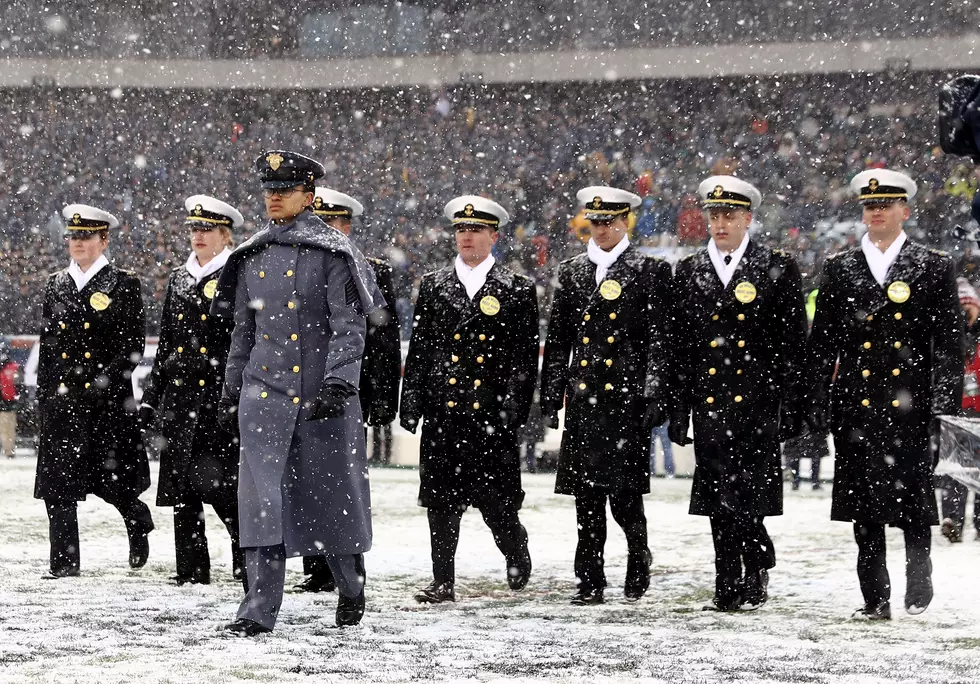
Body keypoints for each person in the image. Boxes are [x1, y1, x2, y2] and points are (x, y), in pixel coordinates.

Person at [212, 151, 385, 636]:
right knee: (262, 504)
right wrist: (231, 392)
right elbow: (242, 334)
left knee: (333, 502)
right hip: (263, 397)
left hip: (321, 398)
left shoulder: (334, 253)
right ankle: (257, 610)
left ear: (309, 196)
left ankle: (350, 585)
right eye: (269, 188)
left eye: (284, 188)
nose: (274, 195)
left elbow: (349, 327)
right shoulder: (250, 254)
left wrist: (339, 381)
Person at [805, 169, 962, 620]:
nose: (876, 210)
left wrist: (944, 406)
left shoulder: (933, 265)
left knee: (912, 502)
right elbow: (825, 342)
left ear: (904, 210)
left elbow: (949, 345)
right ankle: (875, 596)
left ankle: (919, 570)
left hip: (911, 405)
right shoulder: (840, 267)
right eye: (869, 205)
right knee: (863, 510)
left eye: (886, 204)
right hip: (856, 405)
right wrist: (816, 395)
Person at [669, 176, 807, 612]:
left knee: (750, 494)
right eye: (714, 215)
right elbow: (682, 347)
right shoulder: (689, 270)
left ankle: (755, 568)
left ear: (748, 218)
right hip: (709, 401)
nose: (721, 223)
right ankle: (727, 582)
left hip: (759, 400)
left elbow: (793, 343)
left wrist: (792, 404)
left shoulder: (778, 266)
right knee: (717, 500)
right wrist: (678, 409)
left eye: (730, 215)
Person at [400, 195, 537, 603]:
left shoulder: (516, 288)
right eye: (461, 229)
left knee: (497, 506)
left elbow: (524, 359)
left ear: (494, 236)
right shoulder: (435, 285)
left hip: (491, 414)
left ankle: (515, 550)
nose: (467, 236)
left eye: (476, 230)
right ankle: (443, 581)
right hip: (446, 411)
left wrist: (513, 411)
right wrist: (412, 402)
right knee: (441, 504)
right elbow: (422, 349)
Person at [540, 186, 673, 605]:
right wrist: (551, 393)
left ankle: (638, 559)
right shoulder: (574, 270)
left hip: (626, 399)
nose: (601, 229)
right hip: (584, 398)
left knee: (626, 497)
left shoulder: (650, 271)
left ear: (626, 220)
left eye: (610, 221)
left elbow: (660, 339)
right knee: (586, 500)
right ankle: (590, 578)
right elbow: (559, 339)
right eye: (595, 222)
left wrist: (654, 391)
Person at [34, 203, 153, 578]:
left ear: (103, 240)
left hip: (106, 402)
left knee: (109, 482)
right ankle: (64, 566)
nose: (77, 243)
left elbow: (132, 345)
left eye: (86, 236)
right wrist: (46, 394)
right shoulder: (55, 283)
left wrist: (101, 383)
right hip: (62, 400)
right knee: (58, 487)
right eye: (73, 236)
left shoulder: (124, 283)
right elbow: (49, 344)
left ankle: (137, 519)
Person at [294, 186, 401, 594]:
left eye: (333, 220)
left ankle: (349, 570)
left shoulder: (370, 268)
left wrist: (381, 397)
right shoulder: (298, 265)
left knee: (343, 485)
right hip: (306, 388)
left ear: (347, 224)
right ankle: (316, 568)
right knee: (306, 477)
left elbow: (383, 342)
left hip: (348, 389)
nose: (325, 228)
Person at [140, 195, 245, 587]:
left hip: (220, 397)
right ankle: (191, 569)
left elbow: (245, 339)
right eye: (194, 229)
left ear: (224, 234)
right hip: (180, 400)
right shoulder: (179, 279)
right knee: (182, 487)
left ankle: (247, 559)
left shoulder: (239, 273)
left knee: (225, 489)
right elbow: (167, 344)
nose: (198, 236)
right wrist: (152, 396)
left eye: (206, 229)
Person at [938, 277, 980, 543]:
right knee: (956, 470)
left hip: (978, 412)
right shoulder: (949, 337)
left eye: (970, 306)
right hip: (956, 414)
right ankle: (952, 520)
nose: (966, 312)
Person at [0, 341, 19, 459]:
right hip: (8, 403)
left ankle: (8, 450)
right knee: (8, 429)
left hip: (7, 403)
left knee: (7, 429)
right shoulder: (14, 368)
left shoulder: (12, 368)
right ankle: (8, 450)